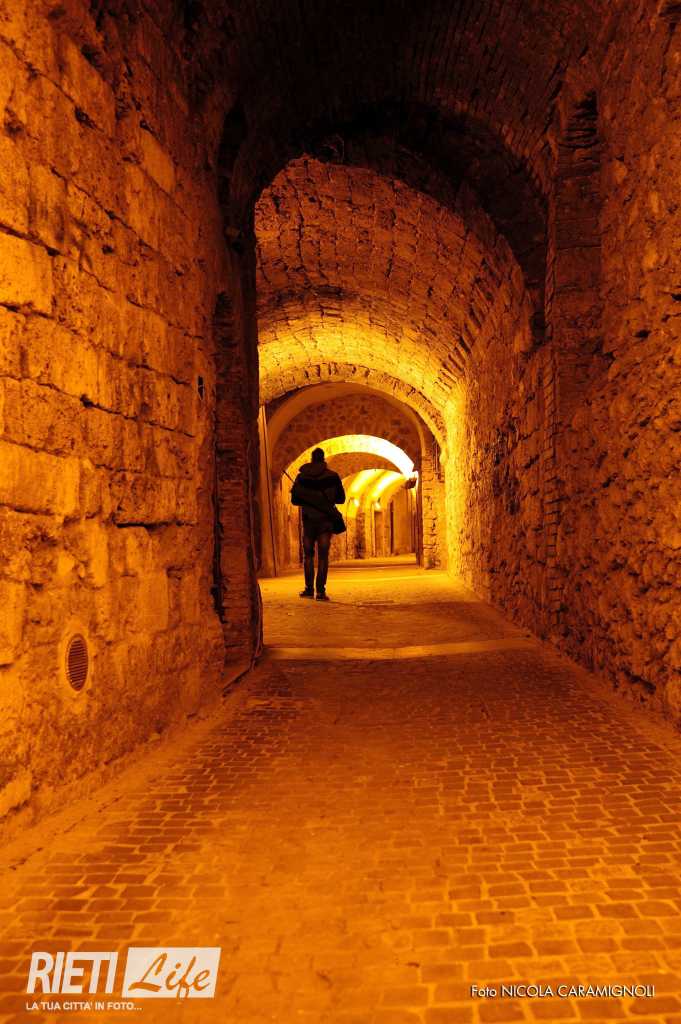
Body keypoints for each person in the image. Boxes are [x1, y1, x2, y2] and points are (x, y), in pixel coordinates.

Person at [291, 447, 346, 601]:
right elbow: (341, 499)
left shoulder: (302, 477)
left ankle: (309, 589)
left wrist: (308, 498)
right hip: (325, 522)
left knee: (308, 556)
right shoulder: (333, 476)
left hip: (308, 521)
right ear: (323, 459)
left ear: (312, 459)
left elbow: (294, 500)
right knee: (323, 556)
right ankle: (320, 592)